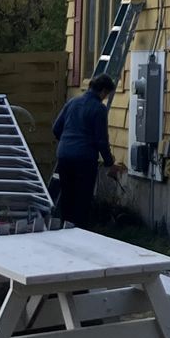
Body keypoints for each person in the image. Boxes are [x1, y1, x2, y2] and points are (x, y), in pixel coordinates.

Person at [51, 74, 121, 229]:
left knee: (67, 196)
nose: (105, 98)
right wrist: (110, 162)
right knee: (82, 198)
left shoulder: (72, 102)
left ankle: (65, 228)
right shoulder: (99, 109)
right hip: (84, 158)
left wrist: (67, 142)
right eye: (106, 94)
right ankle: (80, 231)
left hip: (64, 155)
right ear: (102, 91)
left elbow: (56, 128)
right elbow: (101, 140)